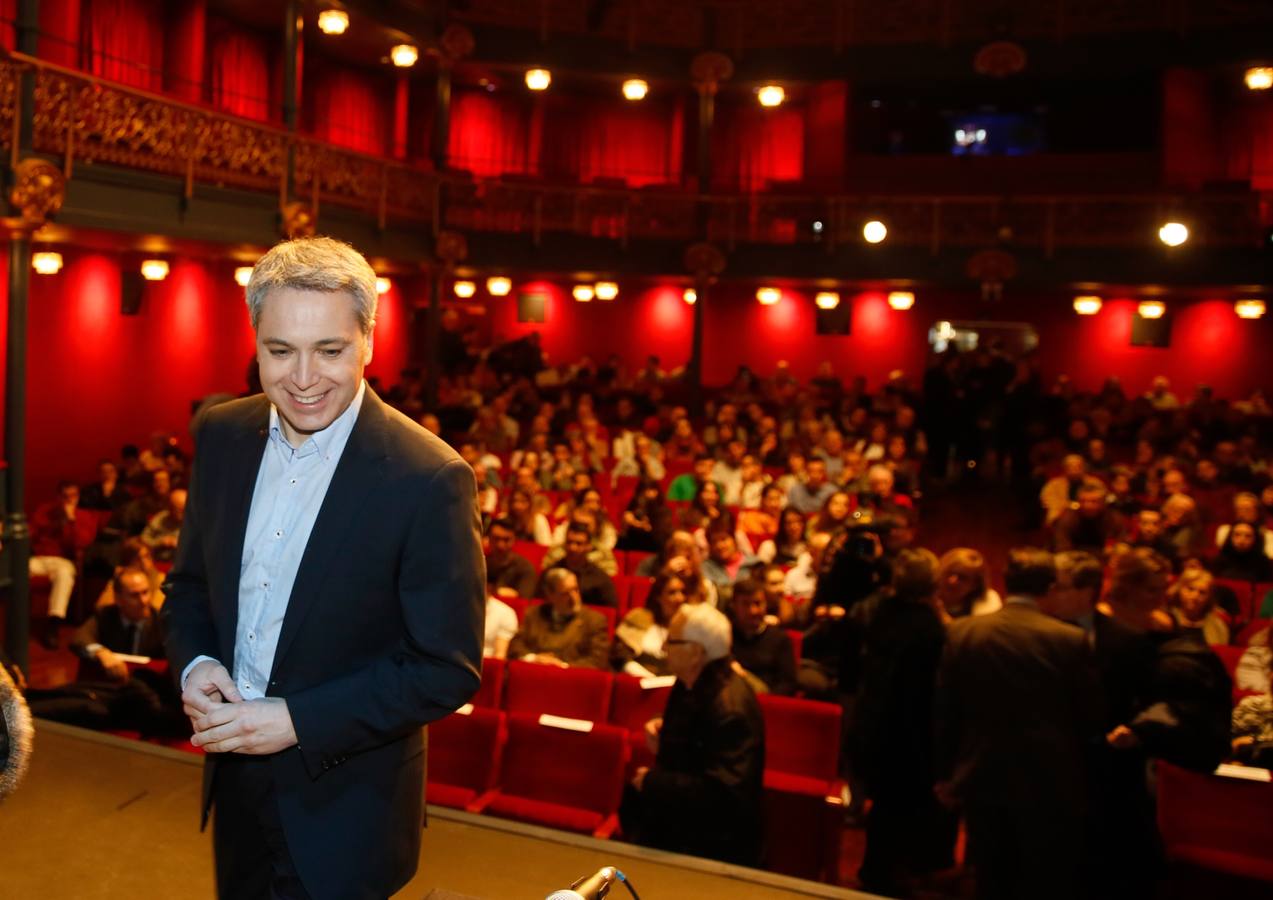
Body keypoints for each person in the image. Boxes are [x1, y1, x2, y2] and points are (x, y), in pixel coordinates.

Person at [162, 236, 485, 900]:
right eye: (280, 351)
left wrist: (296, 719)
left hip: (348, 807)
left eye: (329, 351)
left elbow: (444, 668)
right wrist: (196, 666)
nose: (303, 378)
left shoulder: (430, 477)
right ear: (254, 343)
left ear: (368, 342)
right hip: (234, 785)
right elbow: (190, 586)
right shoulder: (220, 434)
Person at [934, 548, 1098, 900]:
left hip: (981, 770)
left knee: (990, 873)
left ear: (1007, 584)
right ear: (1050, 587)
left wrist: (946, 774)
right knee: (1039, 875)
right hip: (1048, 775)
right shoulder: (1069, 640)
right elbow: (1086, 717)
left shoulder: (963, 632)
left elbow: (947, 711)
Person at [620, 603, 765, 865]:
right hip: (679, 832)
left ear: (696, 652)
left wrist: (653, 782)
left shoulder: (731, 707)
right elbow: (697, 737)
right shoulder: (691, 680)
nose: (664, 648)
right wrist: (664, 730)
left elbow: (724, 796)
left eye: (672, 641)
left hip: (710, 849)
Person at [854, 548, 955, 896]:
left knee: (884, 808)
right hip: (912, 734)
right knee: (909, 810)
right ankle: (897, 877)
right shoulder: (931, 630)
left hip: (878, 726)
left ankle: (875, 871)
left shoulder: (882, 613)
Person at [30, 568, 187, 737]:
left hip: (134, 704)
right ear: (118, 599)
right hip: (100, 690)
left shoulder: (162, 623)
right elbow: (80, 638)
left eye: (145, 593)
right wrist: (101, 652)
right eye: (134, 595)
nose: (143, 601)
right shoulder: (106, 615)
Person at [508, 569, 609, 669]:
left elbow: (598, 660)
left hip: (572, 680)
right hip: (534, 673)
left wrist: (562, 666)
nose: (574, 597)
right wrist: (534, 658)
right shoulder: (534, 614)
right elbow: (516, 645)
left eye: (575, 589)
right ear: (550, 595)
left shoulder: (594, 620)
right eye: (565, 593)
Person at [612, 570, 688, 678]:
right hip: (637, 680)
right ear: (658, 597)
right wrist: (647, 677)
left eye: (683, 592)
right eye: (672, 593)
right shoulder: (639, 618)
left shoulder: (690, 627)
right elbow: (620, 658)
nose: (680, 598)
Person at [728, 577, 796, 695]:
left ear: (766, 605)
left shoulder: (780, 638)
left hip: (767, 702)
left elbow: (788, 683)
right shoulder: (725, 635)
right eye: (745, 604)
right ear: (734, 606)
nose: (753, 611)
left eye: (757, 603)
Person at [537, 520, 619, 607]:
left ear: (589, 547)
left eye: (578, 544)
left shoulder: (600, 579)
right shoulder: (550, 574)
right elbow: (537, 603)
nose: (573, 548)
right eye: (569, 542)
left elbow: (610, 611)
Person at [1052, 482, 1124, 554]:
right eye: (1083, 501)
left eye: (1094, 501)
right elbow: (1062, 547)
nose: (1088, 506)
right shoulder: (1068, 518)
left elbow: (1121, 543)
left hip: (1105, 559)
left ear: (1103, 502)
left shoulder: (1114, 519)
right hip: (1073, 558)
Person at [935, 547, 1002, 622]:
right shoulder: (925, 595)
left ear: (975, 585)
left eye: (962, 577)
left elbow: (981, 631)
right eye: (950, 573)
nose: (952, 581)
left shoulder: (986, 600)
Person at [1168, 568, 1229, 646]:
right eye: (1190, 589)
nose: (1195, 596)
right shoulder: (1166, 618)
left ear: (1209, 597)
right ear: (1180, 589)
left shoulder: (1218, 627)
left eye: (1202, 592)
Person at [484, 517, 538, 600]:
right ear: (489, 539)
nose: (500, 545)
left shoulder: (525, 568)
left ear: (514, 540)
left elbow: (523, 601)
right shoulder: (482, 564)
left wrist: (494, 591)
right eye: (496, 538)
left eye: (506, 540)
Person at [141, 487, 187, 563]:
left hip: (182, 565)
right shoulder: (160, 518)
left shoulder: (193, 523)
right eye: (176, 509)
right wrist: (160, 542)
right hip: (156, 561)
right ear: (170, 507)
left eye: (183, 509)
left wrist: (181, 544)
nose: (180, 513)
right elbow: (143, 539)